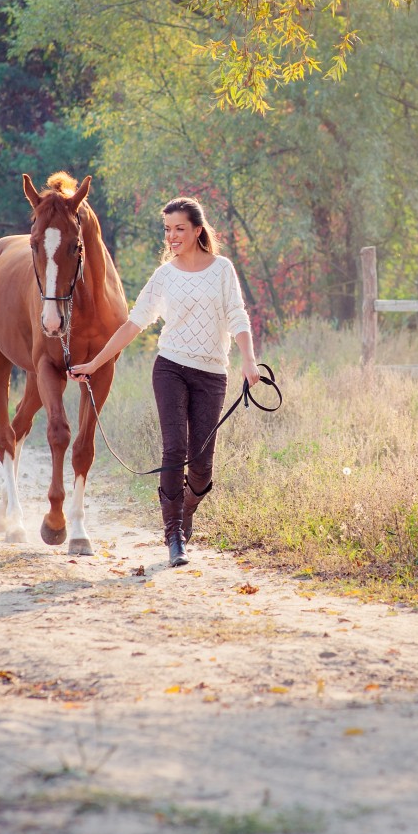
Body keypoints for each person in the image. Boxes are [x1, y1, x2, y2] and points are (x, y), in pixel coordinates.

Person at [69, 197, 261, 566]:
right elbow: (134, 322)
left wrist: (249, 360)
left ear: (197, 231)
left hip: (212, 374)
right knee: (175, 450)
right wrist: (94, 362)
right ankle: (173, 534)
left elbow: (237, 316)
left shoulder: (222, 270)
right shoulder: (165, 275)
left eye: (180, 229)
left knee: (202, 468)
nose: (172, 236)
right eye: (168, 229)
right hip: (170, 367)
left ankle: (187, 507)